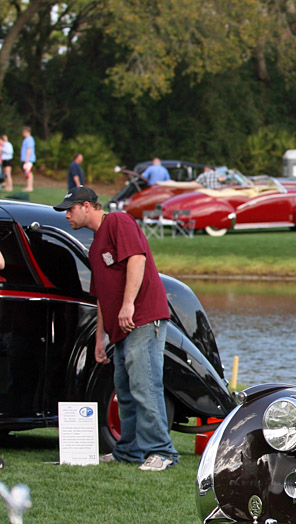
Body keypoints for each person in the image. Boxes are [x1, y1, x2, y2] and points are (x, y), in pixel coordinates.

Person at [54, 186, 179, 471]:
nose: (66, 215)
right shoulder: (96, 245)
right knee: (124, 388)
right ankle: (129, 451)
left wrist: (128, 305)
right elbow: (101, 297)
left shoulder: (118, 221)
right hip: (120, 327)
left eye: (70, 209)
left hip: (143, 318)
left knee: (144, 385)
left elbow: (137, 259)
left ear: (87, 206)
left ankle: (163, 451)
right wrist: (100, 337)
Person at [20, 127, 35, 192]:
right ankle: (28, 186)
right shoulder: (26, 139)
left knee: (28, 172)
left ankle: (29, 187)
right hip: (26, 159)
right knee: (27, 172)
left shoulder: (30, 139)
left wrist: (27, 158)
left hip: (28, 159)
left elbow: (29, 149)